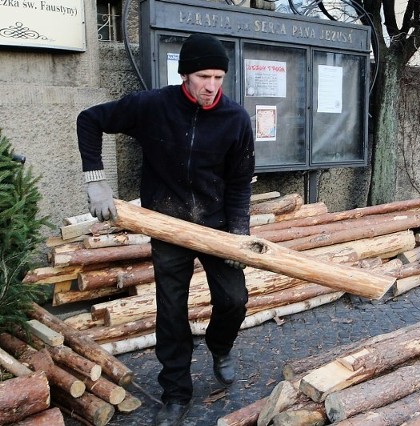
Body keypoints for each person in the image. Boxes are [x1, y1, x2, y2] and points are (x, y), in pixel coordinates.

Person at [77, 33, 255, 426]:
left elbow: (241, 181)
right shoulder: (152, 106)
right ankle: (176, 393)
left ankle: (219, 345)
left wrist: (239, 233)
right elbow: (89, 120)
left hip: (218, 226)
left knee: (234, 300)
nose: (211, 86)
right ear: (185, 74)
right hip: (166, 223)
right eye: (203, 76)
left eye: (219, 78)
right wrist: (96, 179)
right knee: (171, 312)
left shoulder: (236, 119)